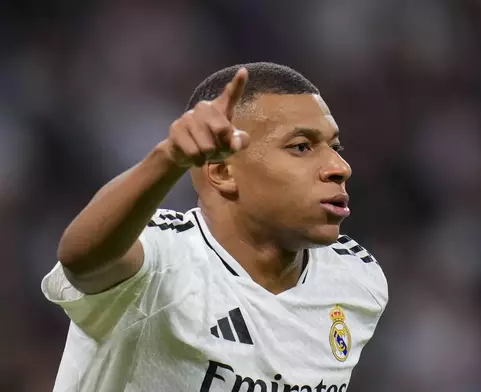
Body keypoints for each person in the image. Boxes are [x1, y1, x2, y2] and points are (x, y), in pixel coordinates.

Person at [42, 62, 388, 392]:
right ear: (222, 172)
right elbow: (82, 260)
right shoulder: (163, 259)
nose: (339, 167)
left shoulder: (357, 281)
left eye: (335, 146)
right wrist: (169, 158)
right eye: (301, 147)